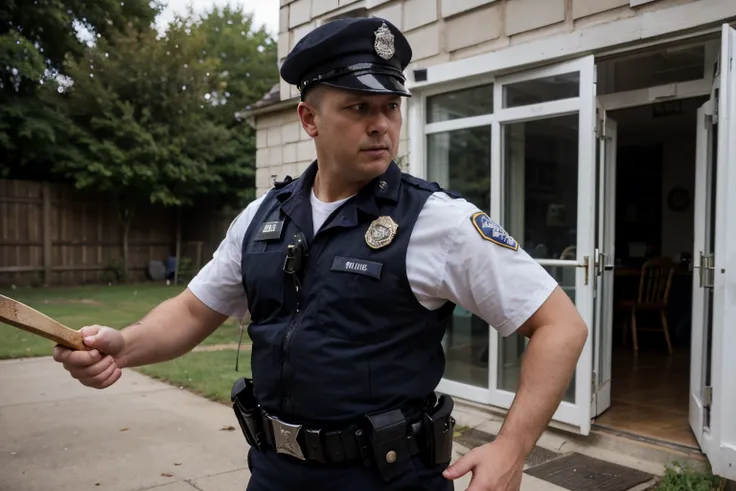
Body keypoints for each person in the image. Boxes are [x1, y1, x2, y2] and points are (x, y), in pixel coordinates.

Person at [52, 17, 588, 491]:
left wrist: (512, 450)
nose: (381, 124)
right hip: (274, 473)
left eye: (390, 108)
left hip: (388, 479)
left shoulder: (438, 220)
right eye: (359, 107)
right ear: (309, 119)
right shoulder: (263, 217)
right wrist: (123, 345)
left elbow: (560, 326)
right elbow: (194, 310)